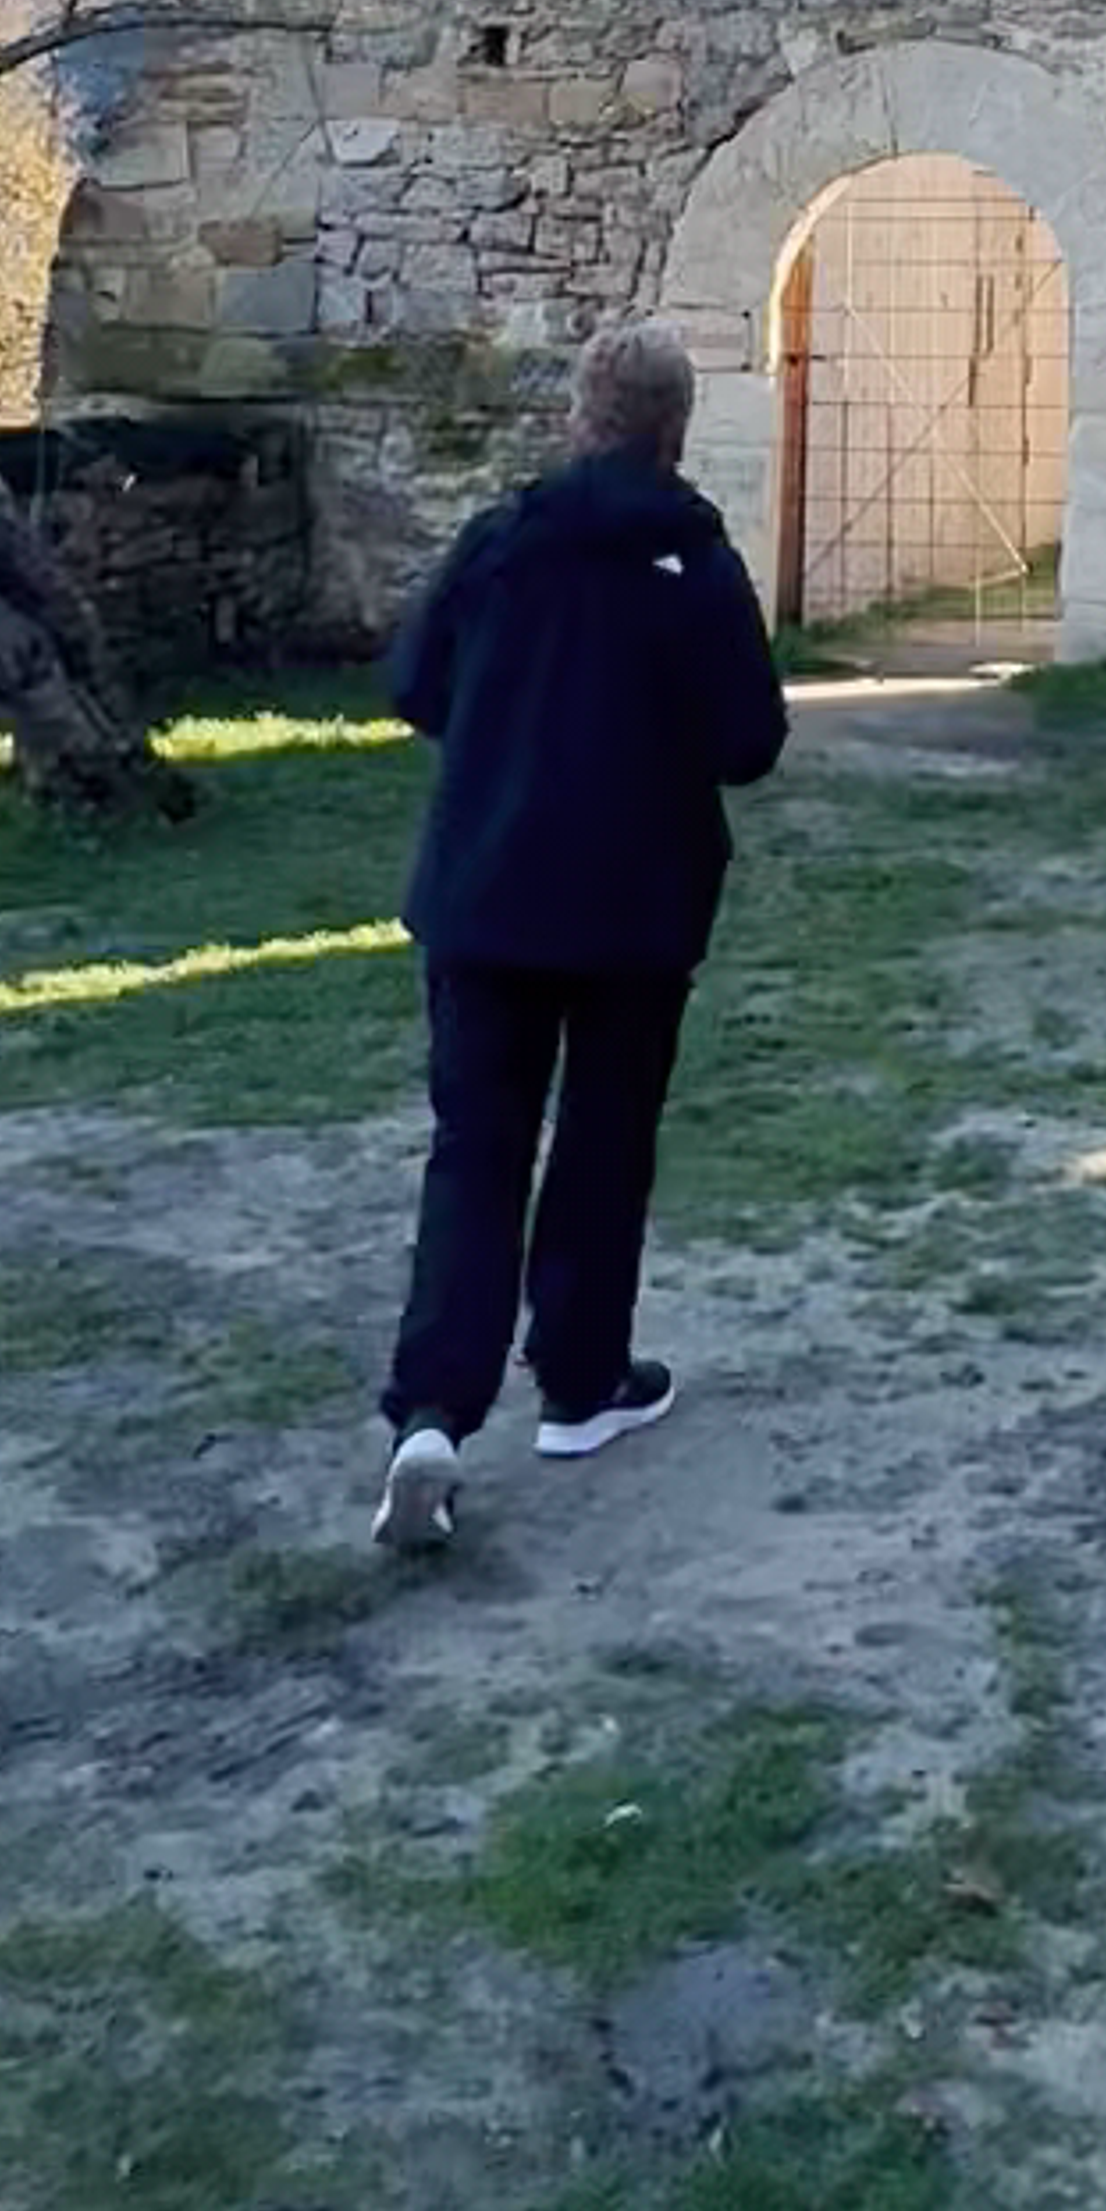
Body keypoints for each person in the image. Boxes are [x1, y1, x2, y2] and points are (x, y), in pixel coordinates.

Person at [368, 311, 789, 1552]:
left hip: (488, 889)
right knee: (604, 1139)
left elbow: (415, 686)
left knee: (475, 1148)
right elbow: (748, 740)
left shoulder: (502, 542)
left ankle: (433, 1411)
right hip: (635, 903)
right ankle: (579, 1380)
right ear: (674, 432)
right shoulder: (696, 563)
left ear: (577, 418)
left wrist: (511, 736)